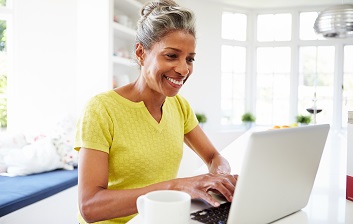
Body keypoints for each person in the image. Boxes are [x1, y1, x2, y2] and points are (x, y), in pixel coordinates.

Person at [74, 0, 238, 223]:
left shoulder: (179, 106)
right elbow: (90, 206)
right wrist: (177, 186)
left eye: (190, 59)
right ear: (141, 53)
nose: (183, 69)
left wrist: (219, 178)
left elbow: (214, 156)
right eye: (171, 55)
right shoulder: (102, 109)